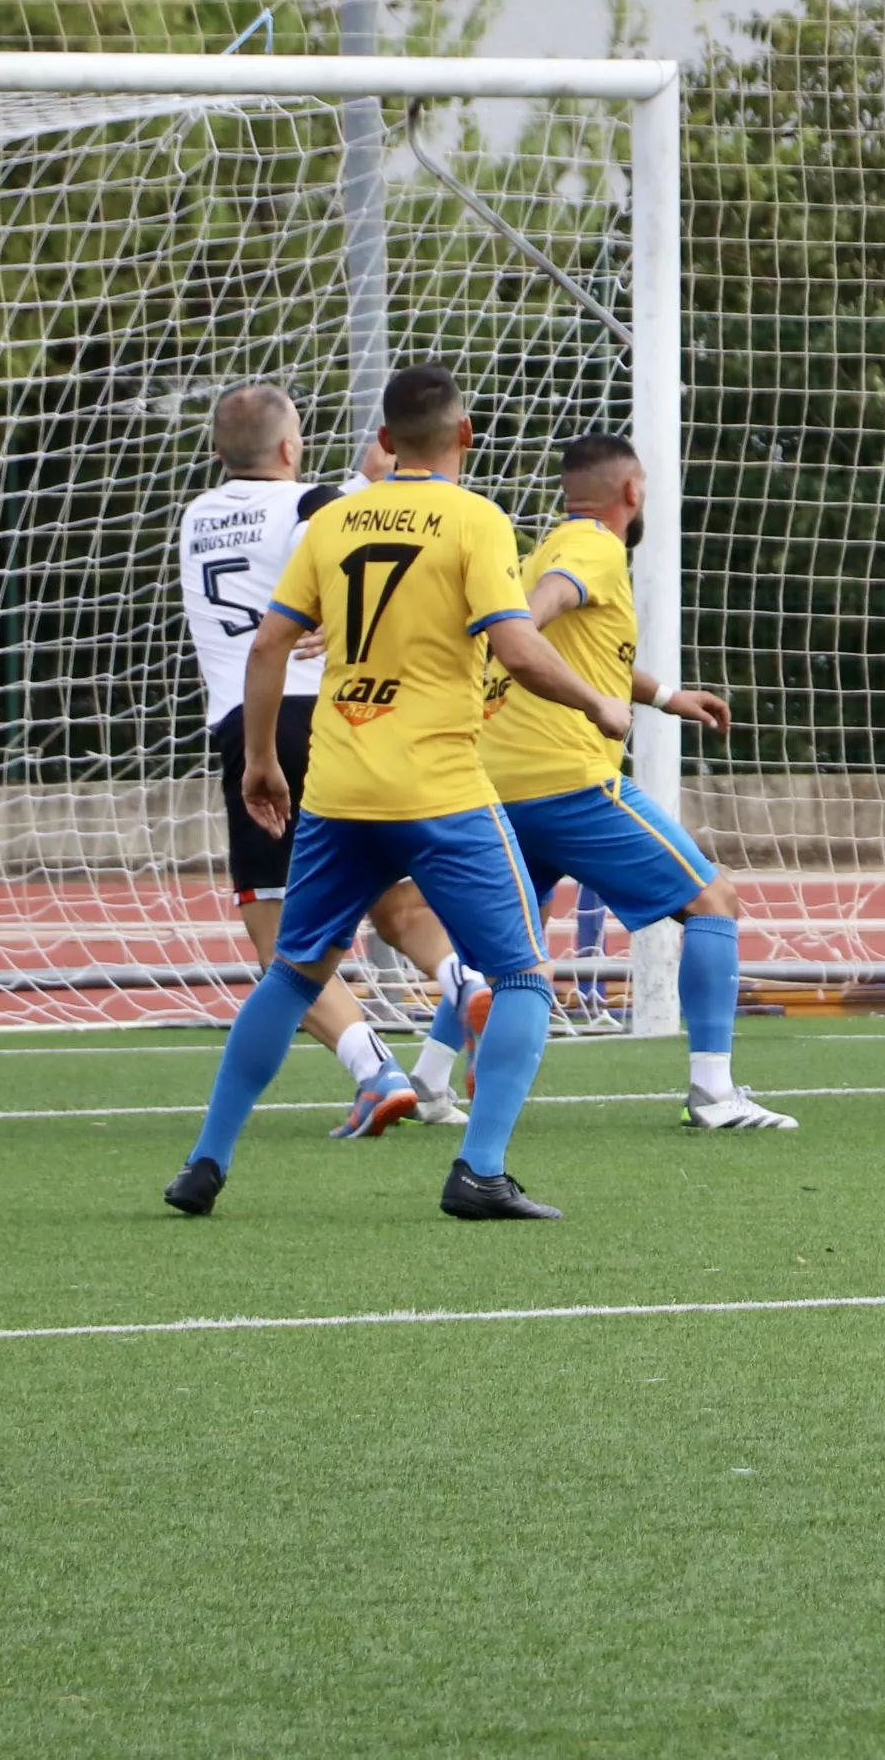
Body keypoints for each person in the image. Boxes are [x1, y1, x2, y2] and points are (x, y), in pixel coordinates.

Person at [162, 365, 630, 1222]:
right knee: (524, 974)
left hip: (338, 784)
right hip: (435, 784)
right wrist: (602, 701)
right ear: (466, 434)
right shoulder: (476, 519)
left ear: (383, 439)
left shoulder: (334, 519)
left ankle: (204, 1162)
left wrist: (260, 760)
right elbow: (519, 649)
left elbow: (269, 648)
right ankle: (480, 1170)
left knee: (293, 973)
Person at [476, 433, 796, 1131]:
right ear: (633, 491)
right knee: (714, 899)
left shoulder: (547, 544)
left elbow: (584, 655)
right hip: (569, 782)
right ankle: (714, 1092)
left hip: (503, 784)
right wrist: (520, 634)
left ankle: (434, 1078)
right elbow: (540, 615)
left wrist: (665, 694)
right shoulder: (592, 546)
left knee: (508, 948)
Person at [179, 383, 474, 1137]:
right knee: (395, 897)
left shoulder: (197, 516)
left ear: (221, 451)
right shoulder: (319, 500)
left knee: (280, 934)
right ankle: (462, 978)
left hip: (261, 723)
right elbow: (371, 505)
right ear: (289, 447)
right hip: (346, 723)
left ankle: (374, 1069)